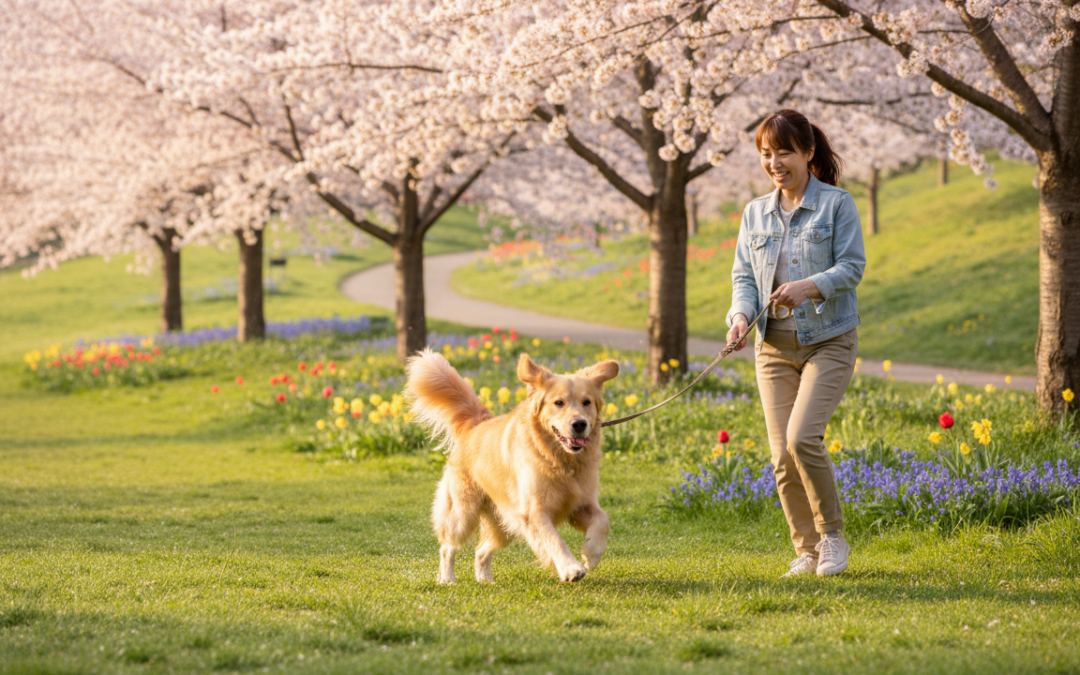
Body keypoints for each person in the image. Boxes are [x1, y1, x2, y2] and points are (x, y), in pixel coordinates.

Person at [725, 109, 865, 577]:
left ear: (807, 152)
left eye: (784, 151)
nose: (775, 162)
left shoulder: (837, 205)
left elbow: (852, 268)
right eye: (766, 154)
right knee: (781, 454)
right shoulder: (755, 213)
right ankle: (805, 550)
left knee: (803, 437)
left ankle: (832, 539)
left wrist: (807, 286)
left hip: (828, 340)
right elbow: (744, 275)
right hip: (773, 346)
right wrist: (741, 316)